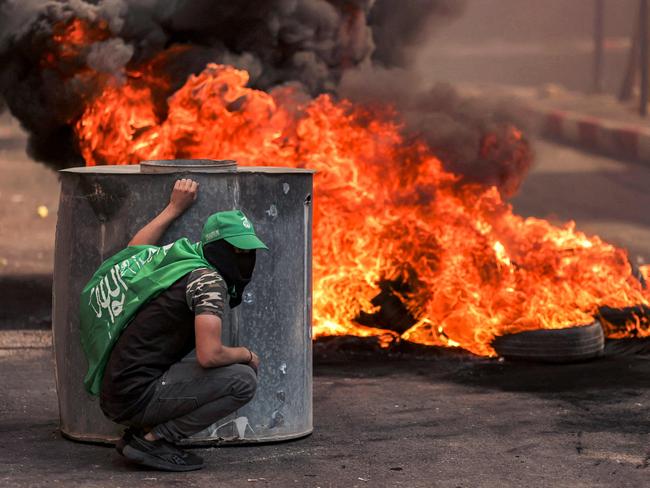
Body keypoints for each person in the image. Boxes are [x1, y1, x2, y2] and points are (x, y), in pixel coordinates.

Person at [78, 178, 268, 471]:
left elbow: (133, 250)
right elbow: (210, 355)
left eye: (248, 252)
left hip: (118, 388)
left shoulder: (180, 257)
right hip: (134, 395)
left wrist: (173, 209)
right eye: (237, 251)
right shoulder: (208, 281)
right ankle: (154, 440)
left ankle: (144, 433)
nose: (244, 259)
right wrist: (247, 354)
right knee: (243, 380)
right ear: (217, 248)